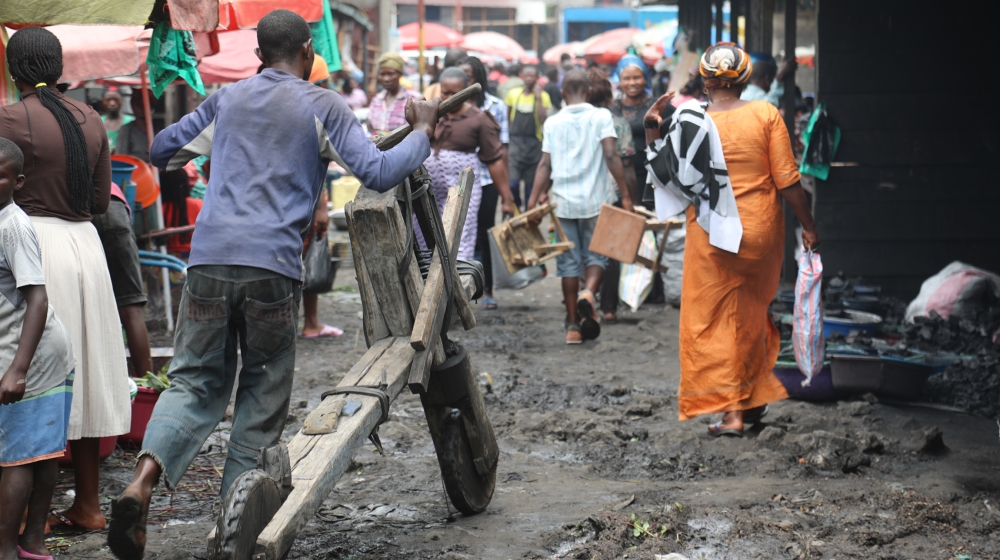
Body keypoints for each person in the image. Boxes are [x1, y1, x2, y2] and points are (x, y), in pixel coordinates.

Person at [105, 11, 440, 559]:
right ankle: (228, 529)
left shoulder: (228, 100)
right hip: (272, 268)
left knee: (191, 384)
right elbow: (378, 172)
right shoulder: (323, 105)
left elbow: (163, 150)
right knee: (260, 393)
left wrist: (215, 149)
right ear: (307, 50)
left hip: (209, 262)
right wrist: (423, 130)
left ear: (259, 54)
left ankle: (141, 480)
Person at [644, 42, 819, 437]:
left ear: (705, 81)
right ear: (743, 80)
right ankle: (752, 402)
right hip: (759, 232)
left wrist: (652, 126)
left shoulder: (688, 119)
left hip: (710, 233)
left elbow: (665, 176)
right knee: (751, 312)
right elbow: (788, 181)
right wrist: (809, 226)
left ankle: (732, 414)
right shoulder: (765, 113)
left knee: (714, 321)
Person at [0, 27, 131, 534]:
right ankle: (89, 505)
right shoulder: (91, 117)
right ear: (60, 69)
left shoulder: (8, 118)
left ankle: (26, 519)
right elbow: (101, 203)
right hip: (85, 248)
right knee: (87, 374)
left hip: (34, 248)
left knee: (36, 382)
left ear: (13, 71)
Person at [0, 138, 75, 560]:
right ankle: (33, 542)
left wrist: (18, 369)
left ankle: (7, 549)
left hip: (35, 356)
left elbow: (38, 299)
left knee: (15, 458)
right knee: (40, 450)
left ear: (19, 181)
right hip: (19, 351)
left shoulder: (13, 225)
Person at [527, 69, 631, 345]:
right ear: (588, 92)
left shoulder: (552, 122)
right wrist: (627, 196)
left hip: (563, 203)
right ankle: (590, 292)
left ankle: (573, 326)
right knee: (598, 254)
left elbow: (545, 164)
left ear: (563, 94)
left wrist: (534, 198)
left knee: (568, 265)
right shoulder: (601, 116)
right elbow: (611, 154)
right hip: (597, 200)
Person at [418, 68, 512, 260]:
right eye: (446, 92)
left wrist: (507, 198)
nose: (450, 97)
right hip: (428, 190)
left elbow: (494, 160)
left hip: (462, 190)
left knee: (459, 236)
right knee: (424, 234)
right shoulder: (430, 113)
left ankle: (457, 284)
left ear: (467, 90)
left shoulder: (479, 119)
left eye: (456, 93)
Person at [456, 56, 514, 310]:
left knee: (484, 232)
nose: (466, 82)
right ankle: (459, 288)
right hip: (456, 180)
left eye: (469, 77)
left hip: (488, 178)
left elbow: (502, 149)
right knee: (458, 234)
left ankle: (487, 288)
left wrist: (507, 192)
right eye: (462, 77)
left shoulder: (496, 106)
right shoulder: (452, 105)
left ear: (479, 77)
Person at [588, 69, 637, 324]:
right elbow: (626, 164)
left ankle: (585, 296)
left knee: (586, 247)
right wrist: (629, 198)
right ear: (609, 94)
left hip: (582, 194)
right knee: (612, 248)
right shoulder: (617, 122)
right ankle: (608, 307)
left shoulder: (572, 121)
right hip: (613, 193)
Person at [504, 65, 551, 210]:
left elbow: (543, 119)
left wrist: (538, 97)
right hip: (516, 144)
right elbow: (507, 116)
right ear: (522, 77)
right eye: (527, 75)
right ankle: (516, 209)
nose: (530, 78)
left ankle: (527, 215)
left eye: (533, 76)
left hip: (534, 145)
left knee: (530, 188)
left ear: (537, 78)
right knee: (513, 184)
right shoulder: (513, 94)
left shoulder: (543, 96)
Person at [367, 52, 424, 136]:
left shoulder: (413, 98)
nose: (386, 79)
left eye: (391, 74)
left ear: (400, 74)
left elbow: (420, 129)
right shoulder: (377, 100)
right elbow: (370, 125)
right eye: (382, 74)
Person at [114, 90, 155, 162]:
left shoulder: (159, 129)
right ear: (132, 106)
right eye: (137, 104)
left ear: (151, 106)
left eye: (143, 104)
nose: (140, 108)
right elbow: (121, 157)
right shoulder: (127, 130)